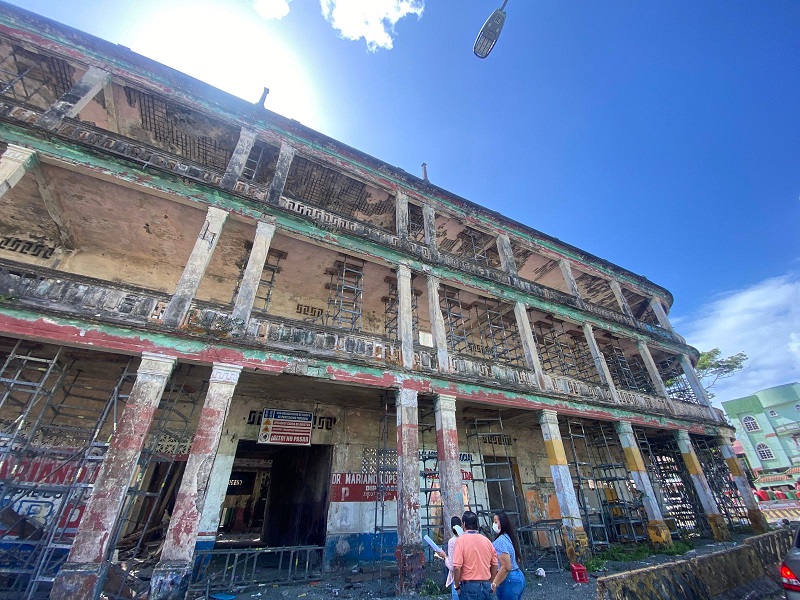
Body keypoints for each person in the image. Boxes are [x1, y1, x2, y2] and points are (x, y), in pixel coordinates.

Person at [452, 511, 498, 599]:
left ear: (464, 524)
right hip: (486, 585)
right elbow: (495, 564)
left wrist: (456, 586)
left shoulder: (461, 541)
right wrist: (491, 581)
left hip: (469, 587)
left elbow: (457, 567)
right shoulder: (487, 541)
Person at [490, 511, 525, 599]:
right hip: (517, 576)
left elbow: (506, 566)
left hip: (508, 580)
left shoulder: (499, 541)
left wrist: (494, 584)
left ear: (502, 523)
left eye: (495, 522)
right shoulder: (508, 537)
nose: (494, 524)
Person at [435, 516, 463, 600]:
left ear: (451, 527)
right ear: (462, 525)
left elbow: (452, 566)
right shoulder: (466, 539)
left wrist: (445, 556)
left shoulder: (452, 541)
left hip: (457, 578)